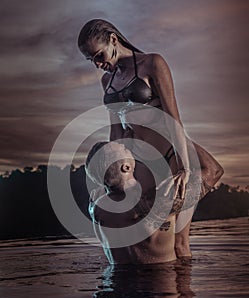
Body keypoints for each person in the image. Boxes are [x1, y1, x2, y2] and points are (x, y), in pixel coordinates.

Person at [78, 19, 224, 258]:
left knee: (179, 241)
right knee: (150, 232)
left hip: (168, 155)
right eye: (91, 60)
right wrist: (105, 177)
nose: (97, 64)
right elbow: (115, 133)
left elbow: (173, 118)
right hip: (138, 158)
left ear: (113, 40)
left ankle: (183, 295)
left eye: (99, 55)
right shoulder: (108, 81)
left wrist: (185, 167)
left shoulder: (153, 64)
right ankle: (143, 288)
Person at [85, 141, 200, 265]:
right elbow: (213, 171)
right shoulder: (155, 203)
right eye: (124, 148)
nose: (126, 146)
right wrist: (178, 139)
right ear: (126, 167)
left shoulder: (95, 208)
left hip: (116, 282)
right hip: (161, 276)